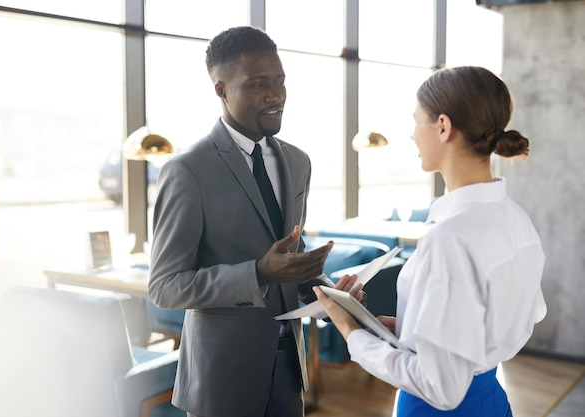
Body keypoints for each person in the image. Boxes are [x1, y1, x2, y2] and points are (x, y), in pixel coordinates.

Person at [148, 26, 364, 417]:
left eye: (280, 81)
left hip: (288, 372)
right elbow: (165, 287)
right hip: (222, 376)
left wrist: (336, 297)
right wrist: (258, 273)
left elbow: (289, 267)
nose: (276, 94)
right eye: (259, 83)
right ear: (221, 89)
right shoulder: (187, 171)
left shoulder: (298, 162)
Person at [314, 66, 547, 417]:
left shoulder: (449, 237)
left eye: (416, 121)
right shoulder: (517, 219)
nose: (411, 135)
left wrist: (352, 332)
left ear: (442, 126)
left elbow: (441, 387)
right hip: (492, 403)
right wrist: (411, 330)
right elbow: (512, 320)